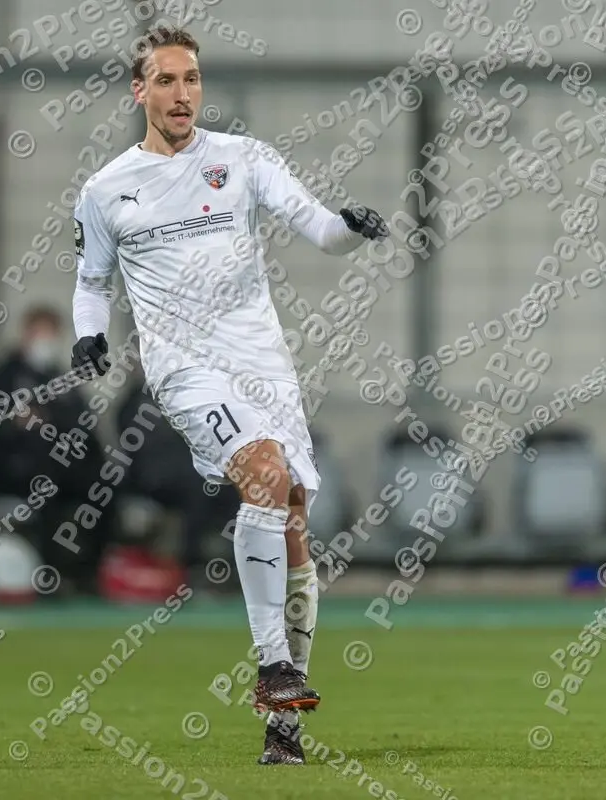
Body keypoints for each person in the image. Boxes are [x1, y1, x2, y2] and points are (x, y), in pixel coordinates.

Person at [67, 25, 389, 765]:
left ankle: (285, 721)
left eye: (192, 80)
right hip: (186, 369)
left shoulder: (242, 160)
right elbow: (90, 285)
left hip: (264, 366)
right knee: (266, 473)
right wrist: (90, 336)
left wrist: (349, 228)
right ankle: (272, 664)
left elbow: (315, 225)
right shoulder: (107, 189)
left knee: (295, 518)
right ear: (139, 89)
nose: (183, 94)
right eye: (167, 81)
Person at [0, 306, 110, 596]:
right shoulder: (5, 375)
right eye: (41, 332)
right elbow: (6, 424)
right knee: (46, 488)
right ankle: (49, 575)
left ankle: (88, 571)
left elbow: (81, 424)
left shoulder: (60, 378)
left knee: (104, 485)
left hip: (68, 469)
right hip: (22, 471)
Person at [115, 372, 237, 577]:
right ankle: (191, 564)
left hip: (191, 472)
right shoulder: (136, 402)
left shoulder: (192, 396)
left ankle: (236, 565)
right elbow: (140, 455)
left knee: (235, 488)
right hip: (154, 480)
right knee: (197, 490)